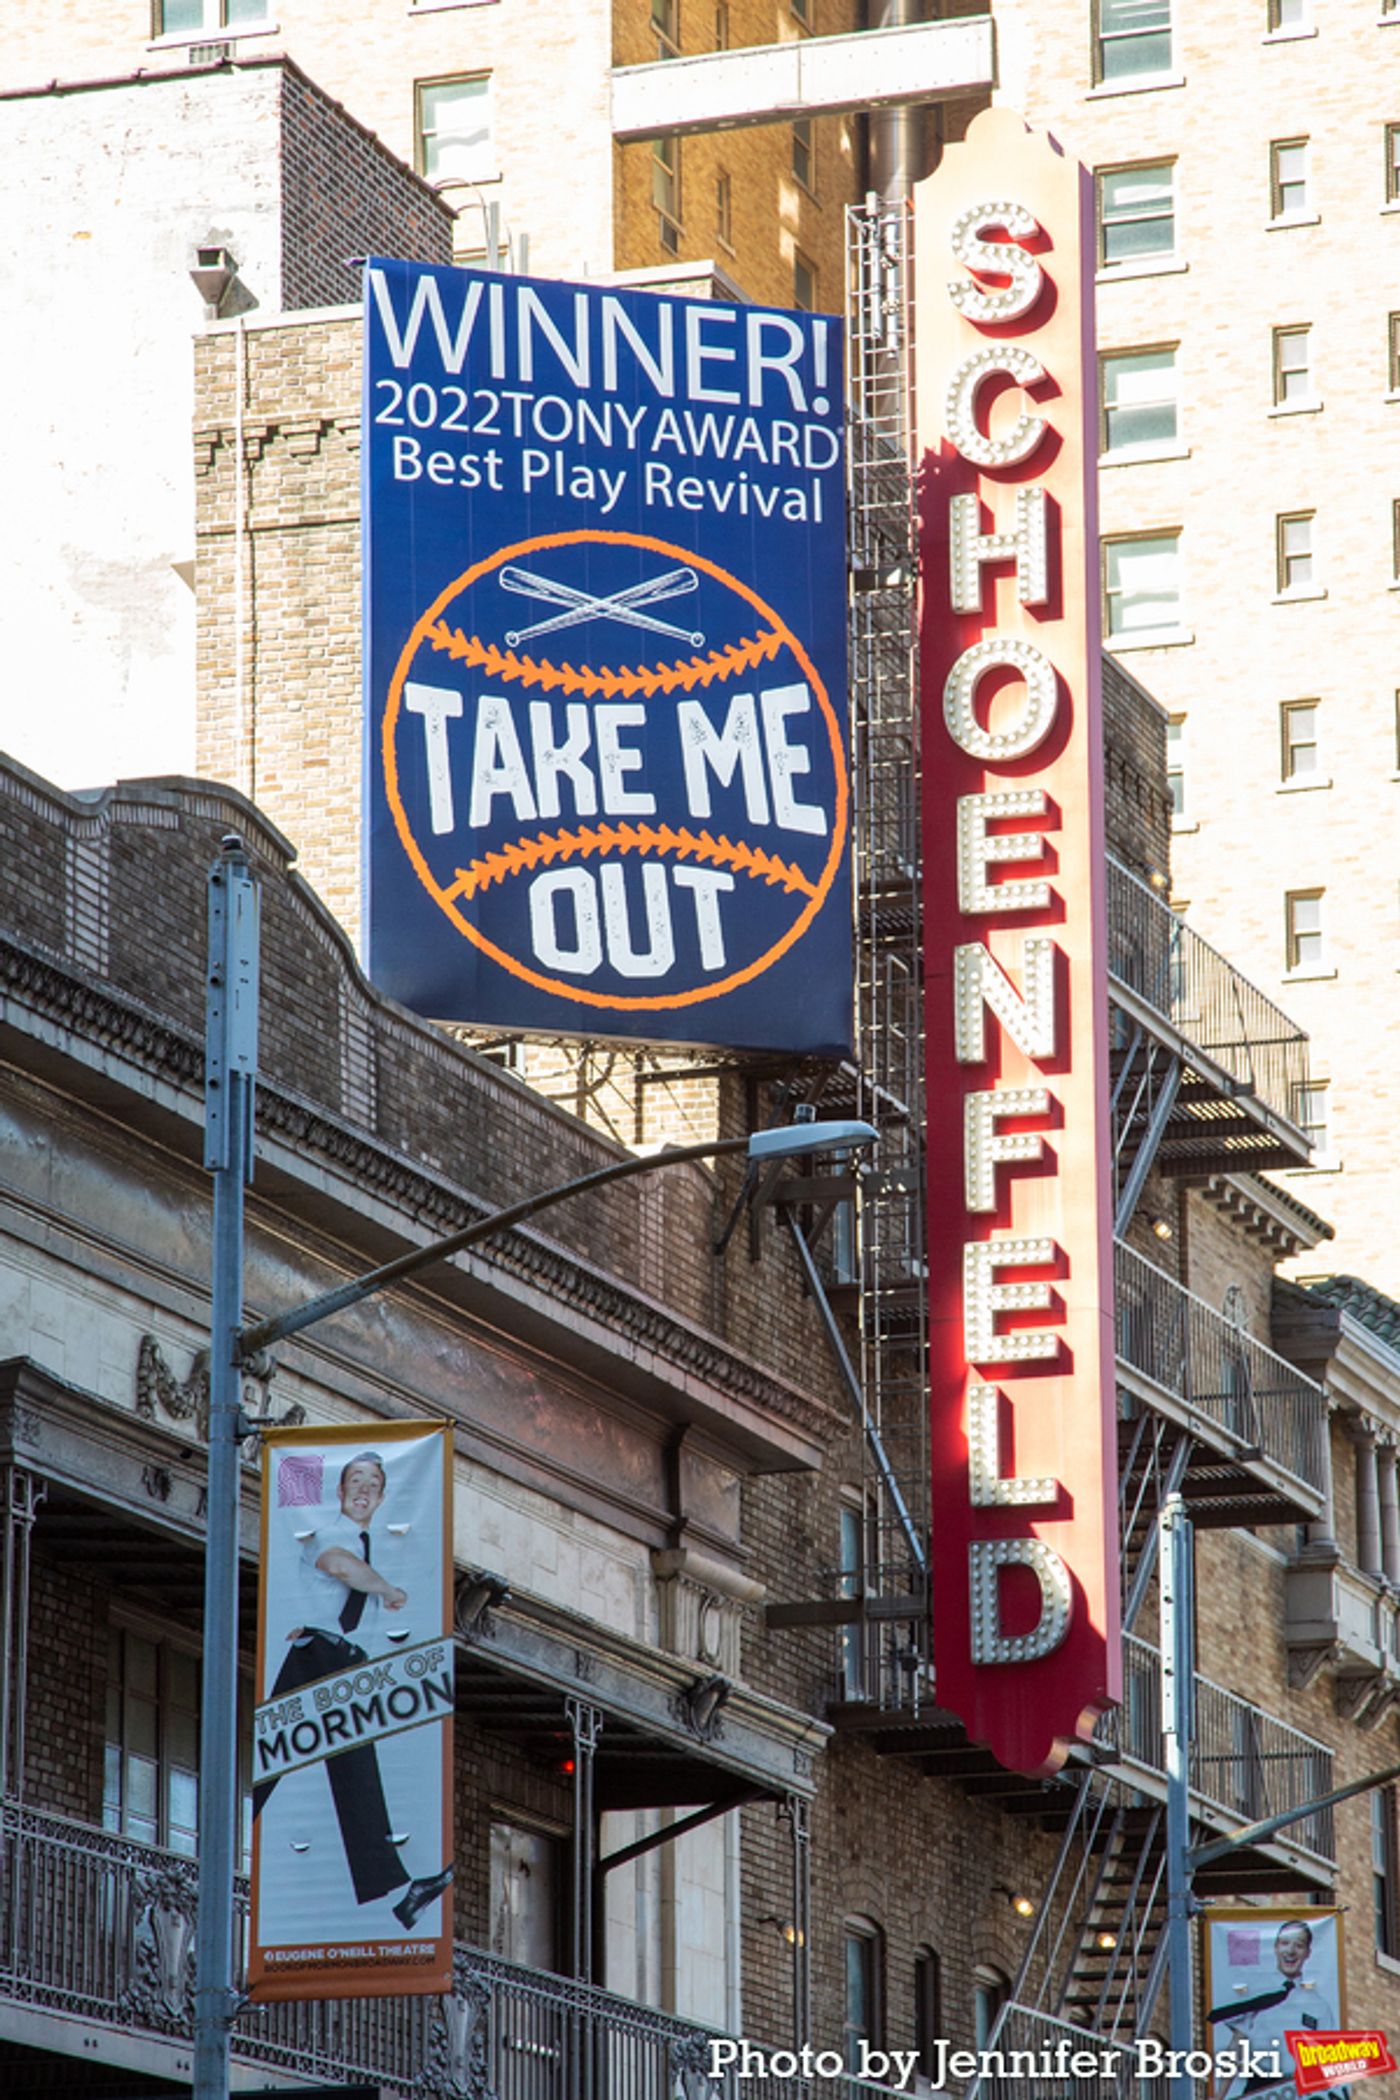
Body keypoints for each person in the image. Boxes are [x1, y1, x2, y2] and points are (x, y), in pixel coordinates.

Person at [254, 1450, 453, 1931]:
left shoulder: (369, 1544)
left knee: (347, 1769)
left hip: (342, 1660)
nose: (363, 1489)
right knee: (274, 1759)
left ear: (382, 1497)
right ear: (340, 1492)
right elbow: (341, 1566)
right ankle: (226, 1843)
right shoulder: (329, 1534)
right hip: (315, 1653)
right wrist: (388, 1589)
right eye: (355, 1480)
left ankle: (399, 1889)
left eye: (374, 1483)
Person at [1209, 1920, 1339, 2100]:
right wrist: (1219, 2095)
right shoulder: (1255, 1991)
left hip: (1296, 2090)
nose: (1291, 1951)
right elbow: (1236, 2048)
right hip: (1259, 2088)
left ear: (1308, 1953)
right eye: (1285, 1943)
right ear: (1276, 1947)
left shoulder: (1319, 2006)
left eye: (1299, 1945)